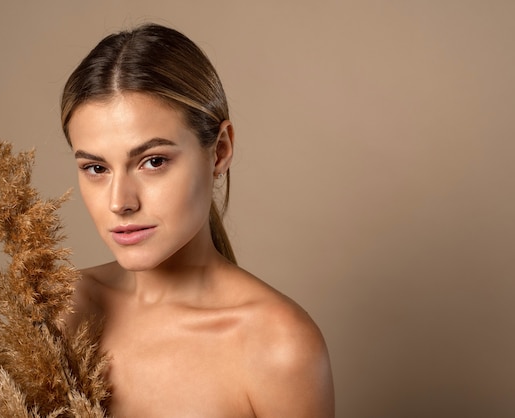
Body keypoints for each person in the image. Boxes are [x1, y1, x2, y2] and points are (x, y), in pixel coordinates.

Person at [61, 23, 334, 417]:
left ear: (219, 151)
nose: (120, 202)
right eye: (96, 168)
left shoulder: (277, 345)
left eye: (153, 162)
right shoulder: (61, 309)